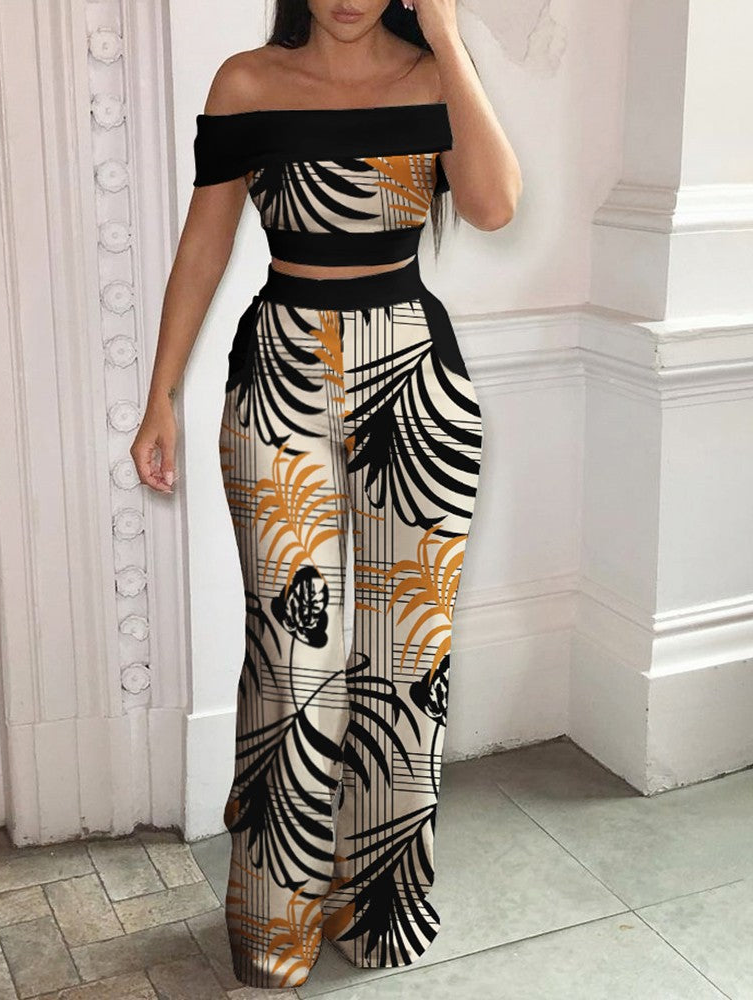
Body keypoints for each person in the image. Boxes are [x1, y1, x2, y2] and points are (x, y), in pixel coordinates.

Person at [131, 0, 521, 989]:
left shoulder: (434, 73)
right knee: (289, 660)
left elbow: (492, 204)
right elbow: (204, 243)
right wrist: (160, 397)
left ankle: (379, 907)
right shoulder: (246, 81)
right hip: (280, 375)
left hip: (416, 382)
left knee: (406, 661)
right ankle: (276, 924)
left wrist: (448, 39)